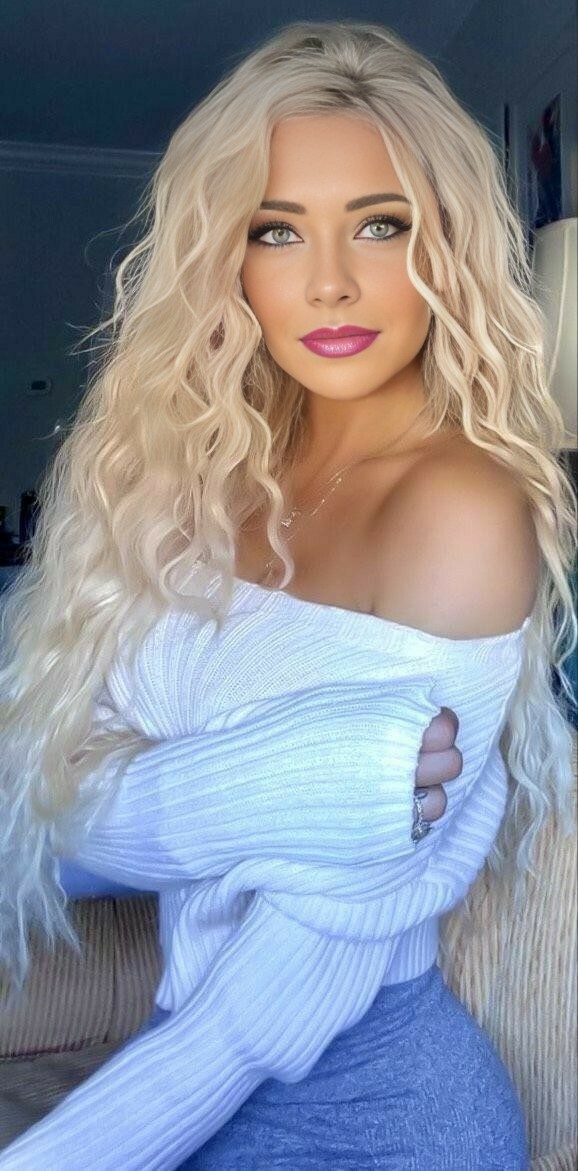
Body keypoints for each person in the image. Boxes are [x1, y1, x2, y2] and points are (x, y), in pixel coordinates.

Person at [0, 18, 576, 1171]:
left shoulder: (460, 506)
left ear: (446, 246)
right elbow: (52, 811)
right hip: (178, 1058)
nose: (327, 281)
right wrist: (284, 780)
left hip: (372, 1115)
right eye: (276, 229)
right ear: (226, 259)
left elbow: (276, 995)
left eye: (379, 224)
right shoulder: (203, 479)